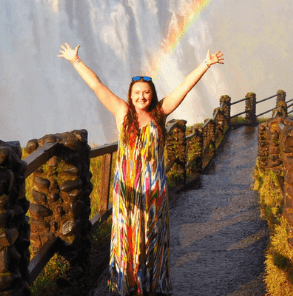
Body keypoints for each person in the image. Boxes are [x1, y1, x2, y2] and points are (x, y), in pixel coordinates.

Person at [58, 43, 224, 296]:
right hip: (127, 191)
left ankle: (150, 285)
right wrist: (75, 61)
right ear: (130, 94)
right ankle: (129, 285)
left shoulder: (161, 113)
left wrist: (206, 64)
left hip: (154, 191)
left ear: (152, 95)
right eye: (137, 92)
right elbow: (97, 86)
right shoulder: (122, 112)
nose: (141, 97)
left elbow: (184, 88)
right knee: (128, 237)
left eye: (146, 92)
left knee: (151, 239)